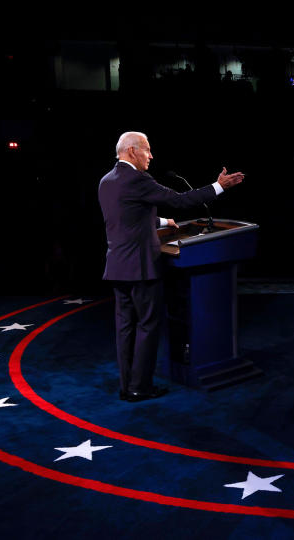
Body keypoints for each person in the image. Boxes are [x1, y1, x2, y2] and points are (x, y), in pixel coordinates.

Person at [98, 131, 245, 402]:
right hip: (141, 268)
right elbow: (179, 200)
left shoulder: (107, 181)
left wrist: (164, 223)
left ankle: (126, 384)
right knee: (146, 326)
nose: (151, 156)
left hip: (118, 267)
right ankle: (139, 388)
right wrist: (219, 186)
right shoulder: (138, 179)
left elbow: (127, 219)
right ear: (132, 151)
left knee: (125, 328)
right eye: (147, 150)